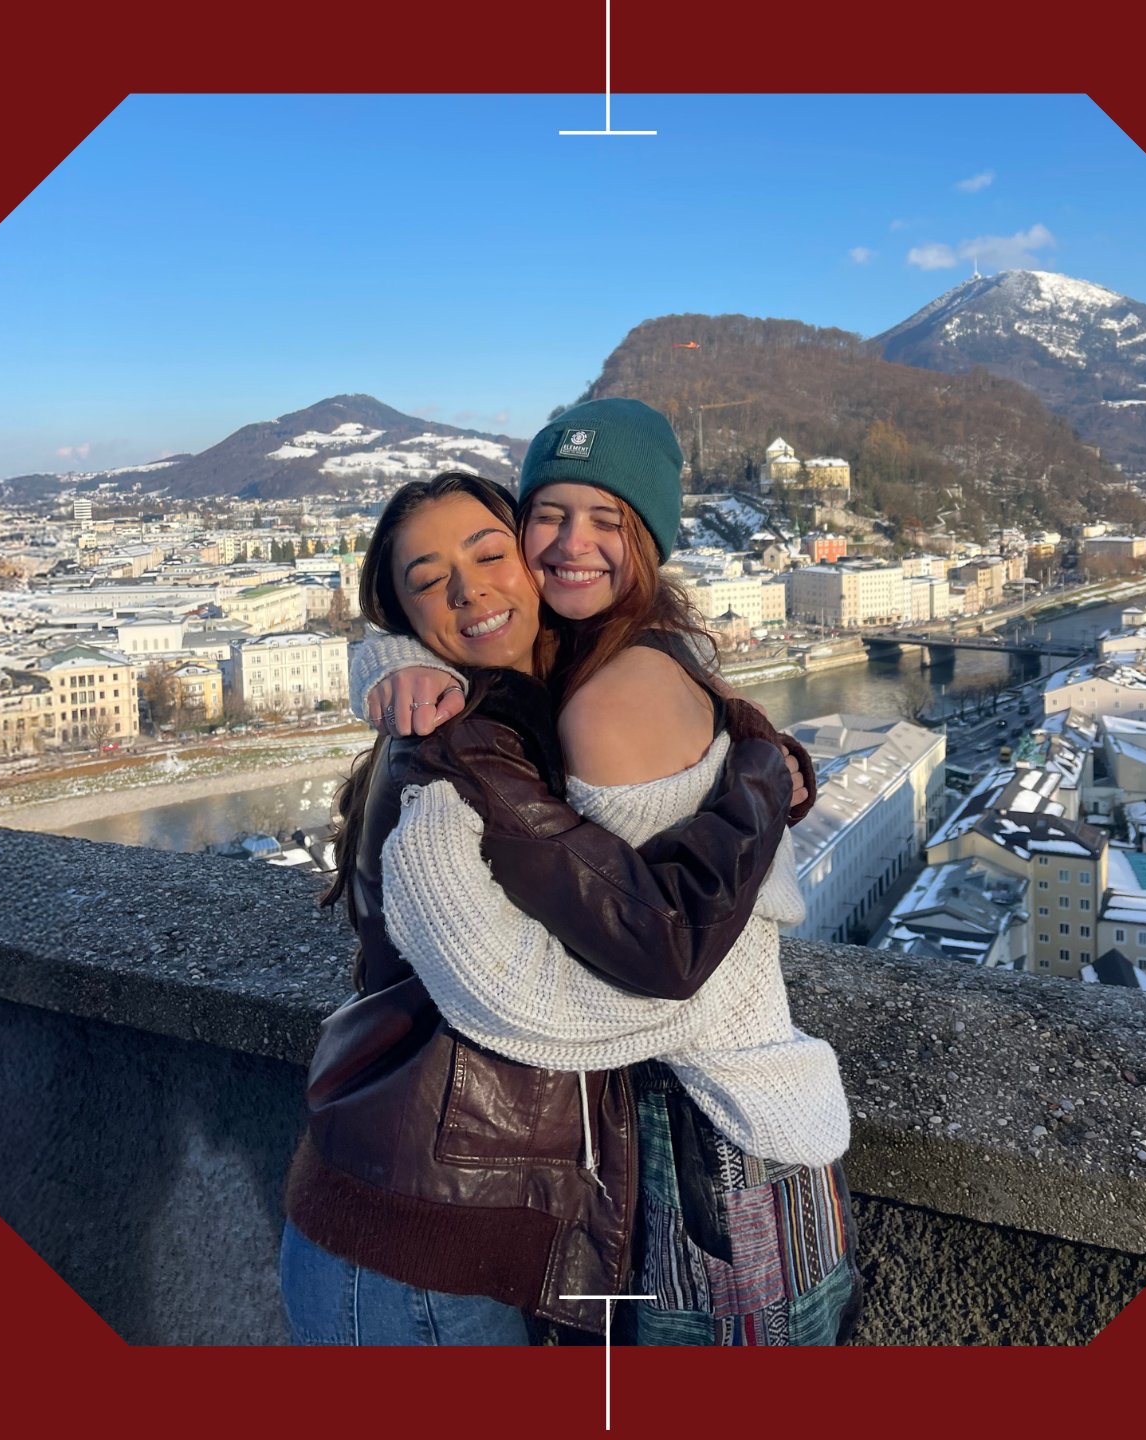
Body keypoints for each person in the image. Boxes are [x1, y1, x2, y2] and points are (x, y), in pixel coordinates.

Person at [360, 399, 861, 1346]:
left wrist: (763, 776)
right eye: (548, 514)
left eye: (608, 519)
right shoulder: (612, 660)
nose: (569, 544)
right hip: (715, 1143)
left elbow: (679, 963)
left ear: (650, 534)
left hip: (708, 1153)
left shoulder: (609, 699)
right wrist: (388, 659)